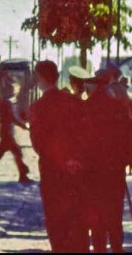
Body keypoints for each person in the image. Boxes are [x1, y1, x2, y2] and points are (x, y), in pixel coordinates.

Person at [29, 60, 88, 253]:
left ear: (40, 79)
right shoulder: (73, 102)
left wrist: (61, 159)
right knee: (76, 217)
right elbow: (83, 134)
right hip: (75, 170)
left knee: (55, 219)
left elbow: (39, 144)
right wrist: (74, 158)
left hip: (51, 170)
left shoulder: (38, 107)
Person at [80, 69, 132, 253]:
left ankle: (99, 247)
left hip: (91, 169)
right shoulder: (118, 108)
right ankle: (117, 246)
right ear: (106, 86)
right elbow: (128, 137)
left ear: (93, 85)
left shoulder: (85, 108)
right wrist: (127, 160)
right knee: (114, 209)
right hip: (114, 167)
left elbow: (80, 140)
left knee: (95, 210)